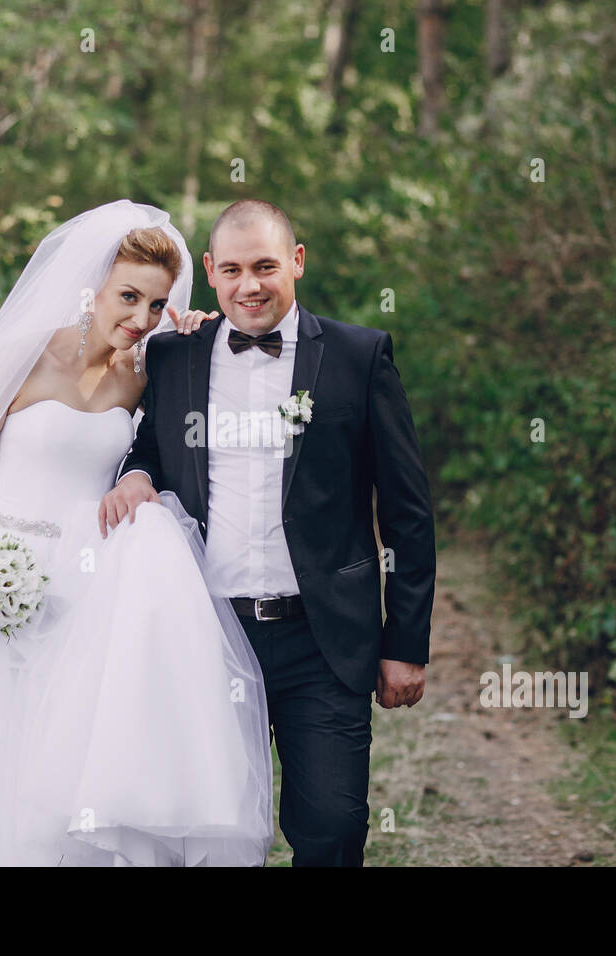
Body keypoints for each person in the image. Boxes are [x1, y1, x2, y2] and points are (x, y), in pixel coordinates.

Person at [0, 200, 272, 866]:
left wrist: (194, 339)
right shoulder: (26, 355)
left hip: (87, 592)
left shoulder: (147, 369)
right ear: (94, 286)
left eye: (157, 304)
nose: (139, 318)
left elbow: (195, 434)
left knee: (63, 772)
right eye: (127, 296)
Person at [101, 198, 436, 866]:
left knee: (334, 827)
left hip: (324, 639)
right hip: (206, 635)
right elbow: (146, 447)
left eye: (265, 266)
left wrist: (406, 642)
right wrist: (136, 472)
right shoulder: (173, 357)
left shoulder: (358, 356)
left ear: (297, 263)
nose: (249, 285)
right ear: (210, 272)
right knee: (214, 834)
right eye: (232, 269)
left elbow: (407, 509)